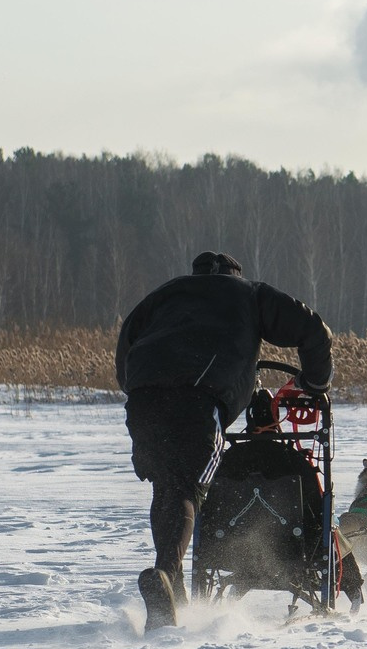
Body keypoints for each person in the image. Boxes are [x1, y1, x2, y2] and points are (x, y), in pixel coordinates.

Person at [114, 251, 333, 629]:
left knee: (166, 485)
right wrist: (315, 383)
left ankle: (173, 586)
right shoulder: (249, 295)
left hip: (144, 396)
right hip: (198, 397)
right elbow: (315, 330)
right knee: (185, 486)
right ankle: (166, 574)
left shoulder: (164, 295)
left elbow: (125, 348)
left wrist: (139, 387)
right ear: (235, 274)